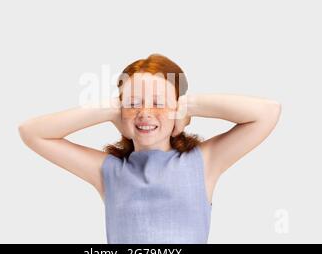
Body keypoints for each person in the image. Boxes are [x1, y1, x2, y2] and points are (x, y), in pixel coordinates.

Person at [18, 53, 281, 243]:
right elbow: (32, 132)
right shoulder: (108, 171)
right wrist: (110, 109)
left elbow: (267, 113)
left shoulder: (204, 162)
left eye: (159, 103)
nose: (145, 113)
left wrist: (189, 106)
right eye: (133, 104)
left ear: (178, 108)